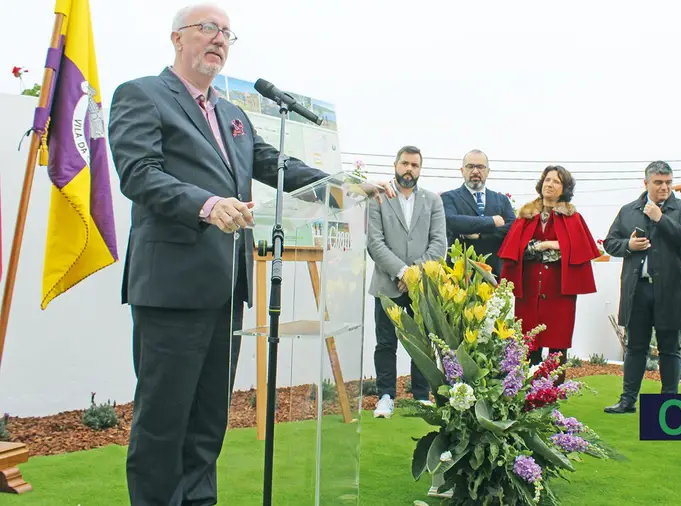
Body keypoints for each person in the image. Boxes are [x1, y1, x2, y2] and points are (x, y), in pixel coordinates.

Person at [107, 5, 392, 504]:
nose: (219, 39)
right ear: (176, 38)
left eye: (227, 34)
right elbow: (139, 173)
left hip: (225, 288)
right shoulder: (141, 94)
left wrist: (344, 186)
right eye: (208, 29)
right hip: (171, 288)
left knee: (208, 419)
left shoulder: (232, 115)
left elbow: (273, 163)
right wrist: (207, 203)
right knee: (164, 419)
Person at [603, 161, 681, 414]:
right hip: (638, 289)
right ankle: (627, 400)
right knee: (635, 347)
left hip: (670, 290)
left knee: (670, 348)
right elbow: (610, 243)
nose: (664, 187)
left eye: (668, 182)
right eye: (658, 182)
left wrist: (661, 218)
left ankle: (669, 404)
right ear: (646, 183)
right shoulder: (628, 210)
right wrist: (628, 247)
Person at [498, 165, 600, 383]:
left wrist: (548, 245)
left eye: (556, 181)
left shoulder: (573, 218)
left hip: (559, 292)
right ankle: (524, 393)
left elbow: (579, 250)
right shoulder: (526, 215)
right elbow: (515, 249)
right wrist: (544, 247)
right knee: (528, 345)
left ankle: (552, 395)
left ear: (564, 188)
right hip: (530, 290)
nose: (549, 184)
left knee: (557, 348)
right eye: (547, 179)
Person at [367, 145, 447, 418]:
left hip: (421, 287)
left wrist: (414, 274)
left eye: (414, 165)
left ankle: (421, 396)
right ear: (395, 165)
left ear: (420, 169)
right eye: (404, 163)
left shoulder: (432, 201)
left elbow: (439, 244)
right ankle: (386, 396)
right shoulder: (378, 198)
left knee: (421, 343)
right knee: (386, 343)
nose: (409, 169)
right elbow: (374, 243)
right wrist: (401, 273)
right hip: (387, 285)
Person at [441, 149, 516, 275]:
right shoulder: (449, 198)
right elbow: (452, 221)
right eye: (470, 166)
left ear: (488, 171)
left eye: (480, 167)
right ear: (462, 170)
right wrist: (492, 221)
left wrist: (480, 235)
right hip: (459, 277)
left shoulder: (501, 200)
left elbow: (512, 228)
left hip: (494, 274)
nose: (475, 171)